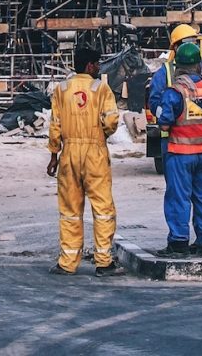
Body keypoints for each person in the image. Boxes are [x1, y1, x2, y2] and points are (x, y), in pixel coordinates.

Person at [46, 47, 125, 277]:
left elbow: (55, 125)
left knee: (70, 209)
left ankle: (67, 262)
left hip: (69, 153)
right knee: (102, 209)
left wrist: (54, 155)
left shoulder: (61, 89)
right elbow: (111, 120)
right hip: (94, 152)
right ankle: (103, 262)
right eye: (97, 64)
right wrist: (100, 135)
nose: (99, 68)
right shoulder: (100, 88)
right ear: (90, 66)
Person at [156, 42, 202, 258]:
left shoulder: (174, 92)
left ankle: (178, 243)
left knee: (179, 198)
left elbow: (165, 124)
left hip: (180, 154)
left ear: (179, 67)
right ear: (198, 65)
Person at [148, 24, 200, 167]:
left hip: (199, 137)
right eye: (186, 43)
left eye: (193, 42)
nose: (191, 47)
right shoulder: (164, 73)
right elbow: (154, 103)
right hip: (173, 138)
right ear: (175, 47)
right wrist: (166, 116)